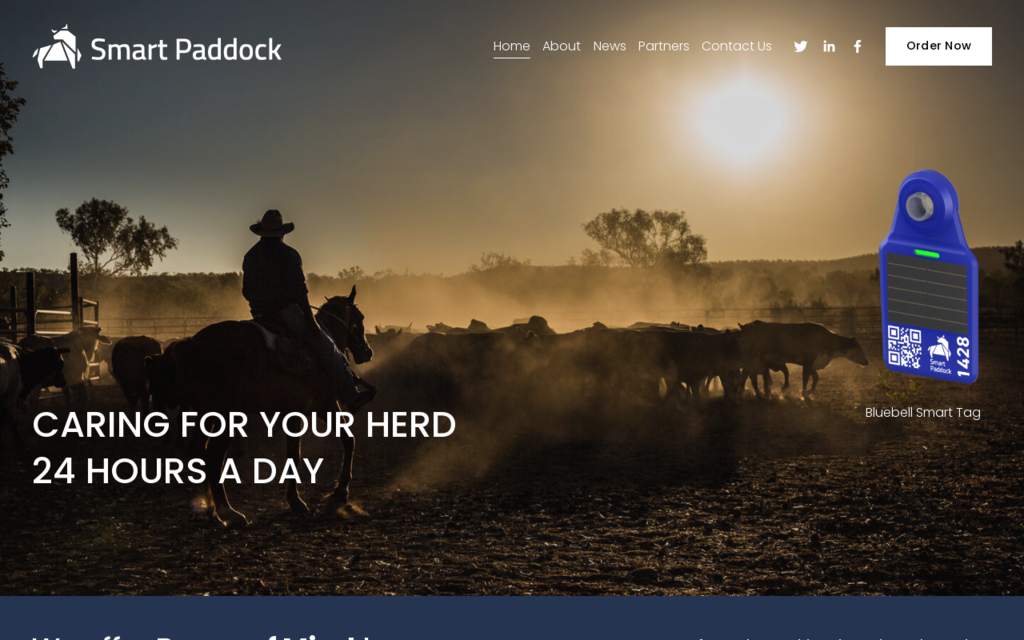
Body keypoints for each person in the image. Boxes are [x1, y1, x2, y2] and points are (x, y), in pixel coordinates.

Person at [242, 209, 368, 407]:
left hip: (259, 315)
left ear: (262, 232)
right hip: (286, 313)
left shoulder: (250, 256)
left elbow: (246, 291)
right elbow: (300, 292)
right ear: (282, 233)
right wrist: (311, 322)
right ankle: (351, 396)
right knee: (327, 347)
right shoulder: (289, 254)